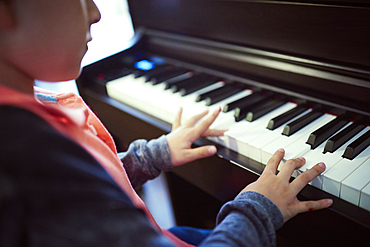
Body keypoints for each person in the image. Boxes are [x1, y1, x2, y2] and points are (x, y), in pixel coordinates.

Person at [0, 0, 333, 246]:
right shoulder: (22, 152)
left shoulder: (28, 113)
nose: (96, 13)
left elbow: (81, 192)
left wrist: (147, 157)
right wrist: (259, 209)